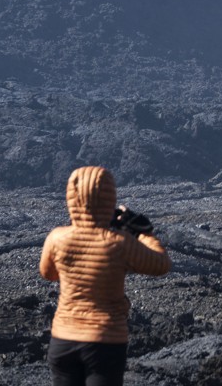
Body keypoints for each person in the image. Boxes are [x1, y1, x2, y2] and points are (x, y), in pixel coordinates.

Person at [40, 165, 172, 386]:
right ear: (109, 198)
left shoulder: (57, 238)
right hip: (105, 341)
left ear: (72, 198)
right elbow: (161, 265)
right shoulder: (120, 243)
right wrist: (144, 234)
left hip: (63, 337)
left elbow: (48, 274)